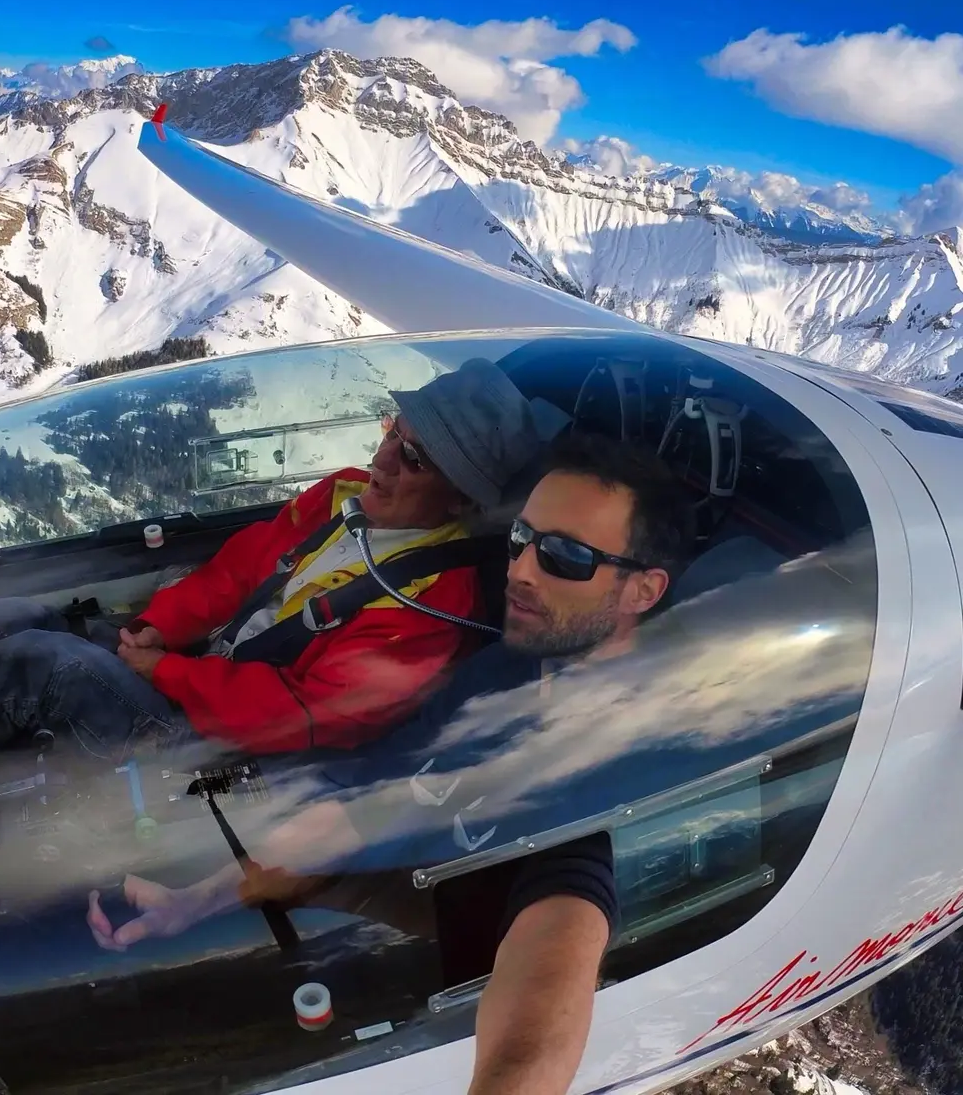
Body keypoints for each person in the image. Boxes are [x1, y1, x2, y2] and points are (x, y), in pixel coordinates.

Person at [87, 432, 694, 1095]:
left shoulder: (617, 742)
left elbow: (556, 952)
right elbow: (367, 799)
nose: (520, 569)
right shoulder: (506, 671)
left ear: (643, 590)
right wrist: (196, 901)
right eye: (521, 537)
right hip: (392, 904)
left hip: (436, 996)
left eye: (565, 557)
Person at [0, 359, 562, 760]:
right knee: (14, 615)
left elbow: (301, 716)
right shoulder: (343, 495)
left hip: (222, 749)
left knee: (46, 664)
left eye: (415, 459)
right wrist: (157, 628)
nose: (382, 461)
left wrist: (165, 673)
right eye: (392, 434)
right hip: (201, 670)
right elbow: (239, 571)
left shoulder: (430, 603)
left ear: (460, 495)